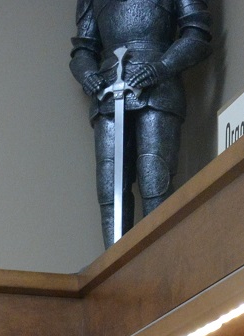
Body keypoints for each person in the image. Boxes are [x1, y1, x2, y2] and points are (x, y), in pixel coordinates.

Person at [70, 0, 212, 242]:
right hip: (107, 90)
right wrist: (88, 74)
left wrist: (162, 66)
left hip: (159, 89)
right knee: (110, 188)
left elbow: (197, 32)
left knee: (155, 179)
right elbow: (84, 47)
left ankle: (158, 261)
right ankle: (112, 269)